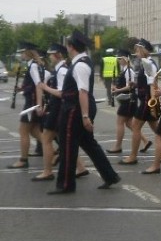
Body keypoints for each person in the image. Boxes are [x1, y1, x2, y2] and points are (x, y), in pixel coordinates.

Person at [49, 30, 121, 194]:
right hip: (78, 107)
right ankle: (110, 176)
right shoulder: (81, 62)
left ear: (71, 47)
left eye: (68, 45)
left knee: (68, 146)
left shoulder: (80, 65)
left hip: (75, 109)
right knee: (89, 144)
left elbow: (83, 92)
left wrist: (85, 116)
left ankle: (66, 184)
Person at [33, 43, 88, 181]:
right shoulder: (60, 69)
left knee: (46, 139)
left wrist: (45, 87)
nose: (49, 58)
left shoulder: (62, 71)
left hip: (59, 110)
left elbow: (62, 93)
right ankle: (81, 167)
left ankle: (47, 171)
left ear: (57, 55)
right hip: (56, 108)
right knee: (63, 141)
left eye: (51, 55)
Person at [120, 39, 161, 165]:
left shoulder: (149, 64)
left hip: (147, 101)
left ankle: (133, 156)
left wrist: (152, 102)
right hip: (146, 99)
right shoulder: (145, 63)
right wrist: (136, 84)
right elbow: (146, 82)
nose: (136, 52)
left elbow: (152, 83)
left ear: (143, 50)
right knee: (157, 129)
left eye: (137, 50)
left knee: (135, 126)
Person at [8, 41, 44, 169]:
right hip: (33, 101)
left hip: (32, 103)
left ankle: (23, 160)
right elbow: (33, 85)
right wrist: (22, 89)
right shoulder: (34, 65)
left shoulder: (33, 66)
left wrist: (39, 104)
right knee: (34, 131)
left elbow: (39, 85)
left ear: (27, 52)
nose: (21, 55)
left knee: (23, 130)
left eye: (22, 52)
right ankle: (53, 151)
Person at [107, 49, 150, 155]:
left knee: (120, 122)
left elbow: (129, 86)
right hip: (129, 100)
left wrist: (117, 90)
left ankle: (118, 146)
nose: (119, 60)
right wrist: (115, 86)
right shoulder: (124, 69)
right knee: (129, 123)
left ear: (125, 59)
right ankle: (146, 141)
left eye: (120, 58)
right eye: (118, 59)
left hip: (129, 100)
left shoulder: (129, 70)